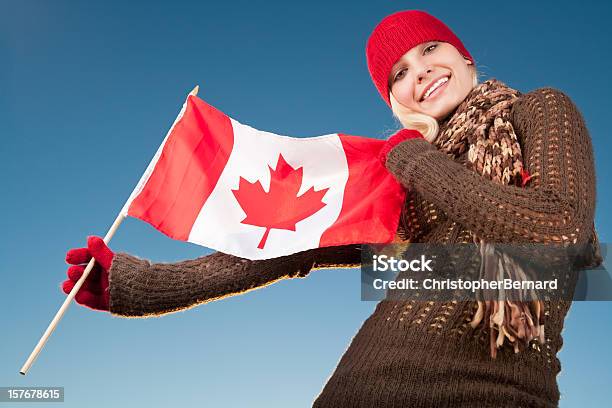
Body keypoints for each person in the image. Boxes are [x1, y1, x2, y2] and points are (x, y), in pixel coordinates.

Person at [62, 10, 602, 407]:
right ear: (397, 101)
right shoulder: (393, 176)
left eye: (430, 50)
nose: (420, 72)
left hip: (501, 392)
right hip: (361, 387)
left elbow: (558, 229)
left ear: (463, 56)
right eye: (399, 73)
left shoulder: (538, 110)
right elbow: (288, 248)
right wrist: (143, 286)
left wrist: (415, 161)